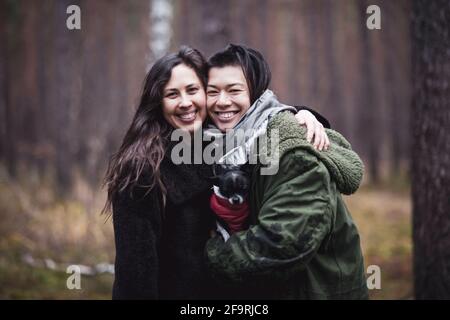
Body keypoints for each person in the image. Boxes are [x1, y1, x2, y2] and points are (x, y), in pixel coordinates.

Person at [103, 46, 330, 299]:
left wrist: (301, 114)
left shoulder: (216, 139)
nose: (186, 103)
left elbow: (257, 115)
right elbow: (135, 274)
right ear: (158, 102)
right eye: (172, 94)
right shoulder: (142, 169)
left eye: (192, 90)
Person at [204, 44, 369, 299]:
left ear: (256, 92)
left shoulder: (292, 152)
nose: (221, 101)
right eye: (212, 91)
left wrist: (205, 258)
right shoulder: (220, 145)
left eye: (234, 90)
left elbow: (281, 244)